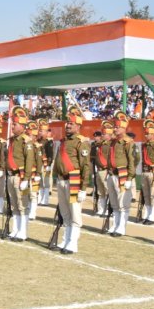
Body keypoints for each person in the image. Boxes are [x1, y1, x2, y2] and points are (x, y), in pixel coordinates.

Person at [52, 107, 91, 254]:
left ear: (78, 126)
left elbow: (85, 166)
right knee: (65, 213)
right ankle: (65, 240)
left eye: (72, 124)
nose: (68, 126)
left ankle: (72, 243)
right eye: (67, 123)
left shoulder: (81, 142)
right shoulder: (63, 141)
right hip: (62, 180)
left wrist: (83, 189)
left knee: (74, 213)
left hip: (74, 180)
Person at [5, 106, 37, 241]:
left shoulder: (26, 141)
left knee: (22, 205)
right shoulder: (12, 140)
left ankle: (23, 231)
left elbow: (29, 160)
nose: (12, 126)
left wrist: (26, 179)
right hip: (11, 175)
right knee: (14, 204)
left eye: (15, 124)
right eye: (13, 124)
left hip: (20, 176)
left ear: (22, 126)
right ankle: (15, 229)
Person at [106, 111, 136, 237]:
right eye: (115, 126)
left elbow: (132, 161)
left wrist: (130, 177)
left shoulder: (128, 142)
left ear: (124, 128)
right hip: (112, 174)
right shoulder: (113, 142)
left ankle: (121, 227)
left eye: (117, 127)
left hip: (122, 175)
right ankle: (115, 224)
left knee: (123, 203)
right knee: (114, 203)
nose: (115, 128)